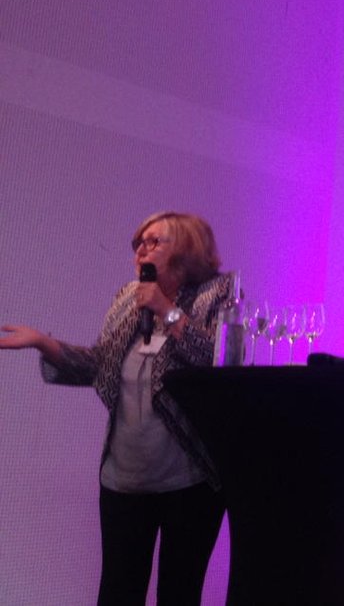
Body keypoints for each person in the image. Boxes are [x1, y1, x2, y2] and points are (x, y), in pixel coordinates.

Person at [1, 211, 234, 606]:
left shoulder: (216, 295)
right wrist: (43, 342)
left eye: (153, 241)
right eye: (138, 243)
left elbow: (220, 361)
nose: (141, 249)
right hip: (125, 478)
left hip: (189, 481)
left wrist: (166, 309)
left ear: (186, 248)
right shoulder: (129, 298)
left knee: (179, 594)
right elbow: (99, 365)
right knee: (117, 593)